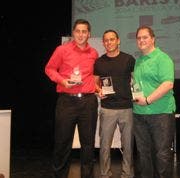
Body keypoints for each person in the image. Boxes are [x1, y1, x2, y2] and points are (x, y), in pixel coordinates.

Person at [45, 19, 99, 178]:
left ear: (89, 34)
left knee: (88, 145)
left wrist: (99, 89)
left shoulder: (94, 53)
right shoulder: (62, 50)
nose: (81, 34)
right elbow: (49, 69)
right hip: (66, 101)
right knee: (62, 143)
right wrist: (62, 81)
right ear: (73, 33)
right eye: (78, 31)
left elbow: (94, 77)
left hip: (88, 102)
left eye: (84, 31)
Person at [132, 26, 176, 178]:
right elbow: (136, 85)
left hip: (161, 113)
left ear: (153, 39)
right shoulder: (138, 61)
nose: (141, 40)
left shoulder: (163, 58)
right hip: (139, 114)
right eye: (138, 38)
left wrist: (148, 100)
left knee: (161, 154)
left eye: (145, 37)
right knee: (144, 154)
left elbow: (168, 84)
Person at [94, 29, 135, 178]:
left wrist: (137, 94)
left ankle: (127, 174)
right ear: (103, 43)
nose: (109, 42)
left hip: (127, 108)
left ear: (118, 41)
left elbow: (135, 81)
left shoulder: (129, 59)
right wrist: (98, 91)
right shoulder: (99, 61)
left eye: (112, 39)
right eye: (106, 40)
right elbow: (95, 84)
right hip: (107, 109)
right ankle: (105, 174)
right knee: (104, 145)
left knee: (128, 145)